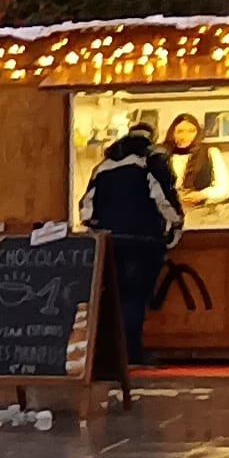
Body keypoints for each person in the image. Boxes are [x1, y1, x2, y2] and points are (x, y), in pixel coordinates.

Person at [81, 127, 183, 395]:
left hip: (110, 241)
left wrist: (99, 231)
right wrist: (176, 226)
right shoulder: (151, 161)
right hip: (143, 240)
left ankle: (111, 356)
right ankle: (132, 353)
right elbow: (165, 199)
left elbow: (86, 208)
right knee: (135, 298)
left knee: (114, 298)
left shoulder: (103, 167)